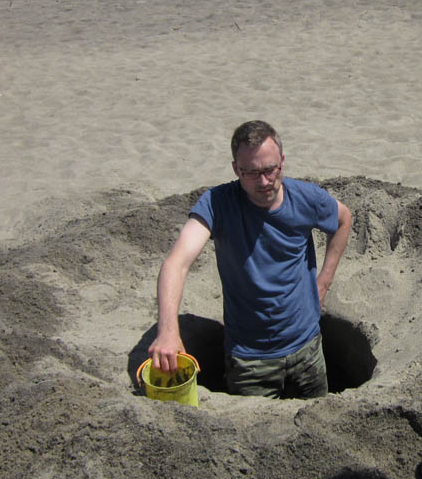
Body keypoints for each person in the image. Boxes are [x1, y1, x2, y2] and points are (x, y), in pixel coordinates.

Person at [148, 120, 353, 399]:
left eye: (271, 170)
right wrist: (168, 331)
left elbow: (343, 219)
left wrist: (323, 283)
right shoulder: (218, 204)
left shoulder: (306, 198)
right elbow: (177, 262)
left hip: (308, 350)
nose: (264, 182)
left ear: (282, 161)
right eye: (251, 173)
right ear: (236, 169)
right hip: (249, 361)